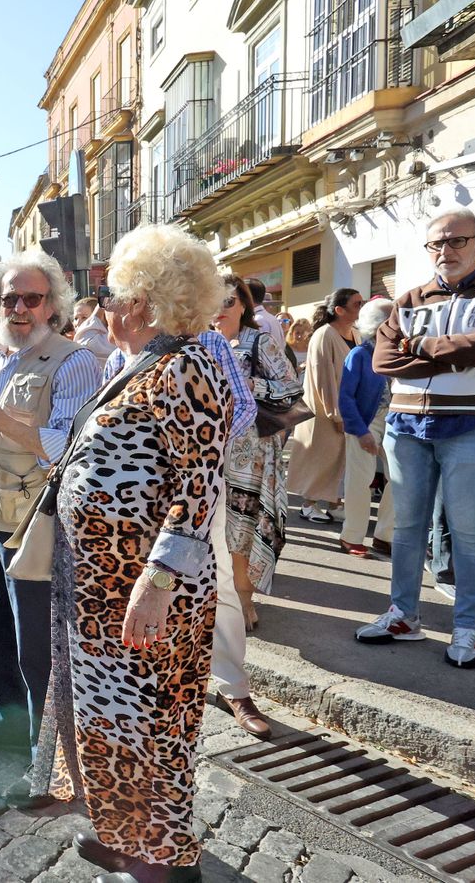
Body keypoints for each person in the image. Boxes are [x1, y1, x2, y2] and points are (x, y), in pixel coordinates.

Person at [33, 224, 231, 883]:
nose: (102, 308)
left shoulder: (187, 366)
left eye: (112, 295)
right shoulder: (141, 364)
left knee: (152, 725)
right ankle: (125, 837)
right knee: (113, 722)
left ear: (143, 303)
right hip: (100, 589)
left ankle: (165, 860)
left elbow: (199, 484)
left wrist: (159, 579)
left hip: (143, 589)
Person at [359, 209, 475, 669]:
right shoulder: (410, 298)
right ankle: (403, 615)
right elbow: (382, 360)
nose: (445, 250)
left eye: (457, 241)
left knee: (469, 530)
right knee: (407, 527)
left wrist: (418, 346)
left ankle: (468, 629)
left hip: (473, 424)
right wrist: (461, 352)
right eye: (436, 243)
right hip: (406, 426)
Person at [0, 251, 98, 788]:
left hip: (37, 526)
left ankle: (48, 759)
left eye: (31, 298)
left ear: (52, 305)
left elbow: (71, 446)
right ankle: (11, 726)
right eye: (9, 298)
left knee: (36, 646)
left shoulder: (74, 361)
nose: (19, 308)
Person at [202, 275, 283, 736]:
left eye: (228, 300)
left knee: (233, 555)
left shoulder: (243, 341)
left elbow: (278, 392)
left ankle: (233, 684)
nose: (220, 306)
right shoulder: (129, 349)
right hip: (185, 474)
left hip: (236, 463)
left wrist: (247, 386)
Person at [290, 288, 363, 522]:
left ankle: (334, 503)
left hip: (348, 407)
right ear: (340, 310)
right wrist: (336, 414)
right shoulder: (324, 335)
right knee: (320, 458)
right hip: (323, 410)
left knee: (339, 459)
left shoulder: (356, 334)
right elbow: (323, 378)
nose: (361, 308)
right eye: (357, 304)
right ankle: (308, 504)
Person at [339, 298, 397, 557]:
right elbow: (346, 398)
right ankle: (351, 536)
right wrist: (361, 431)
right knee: (360, 481)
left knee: (400, 479)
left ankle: (385, 536)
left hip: (393, 420)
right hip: (365, 422)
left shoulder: (397, 352)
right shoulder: (359, 355)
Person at [70, 296, 113, 369]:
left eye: (84, 317)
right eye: (76, 318)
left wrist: (97, 314)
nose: (77, 322)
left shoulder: (108, 341)